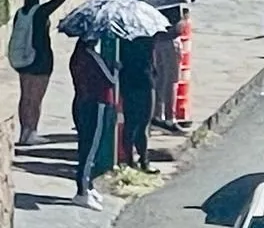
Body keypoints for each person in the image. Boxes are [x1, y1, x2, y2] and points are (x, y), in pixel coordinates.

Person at [7, 0, 83, 145]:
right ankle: (31, 132)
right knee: (36, 98)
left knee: (25, 97)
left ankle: (24, 132)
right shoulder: (40, 12)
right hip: (40, 60)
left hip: (23, 60)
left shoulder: (20, 13)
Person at [68, 37, 116, 210]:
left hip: (81, 101)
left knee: (85, 146)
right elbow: (111, 79)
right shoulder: (92, 57)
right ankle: (82, 192)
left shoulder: (77, 56)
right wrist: (115, 67)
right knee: (90, 150)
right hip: (95, 104)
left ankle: (88, 186)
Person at [119, 33, 157, 172]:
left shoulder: (121, 35)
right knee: (141, 123)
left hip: (128, 80)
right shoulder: (148, 34)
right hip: (143, 80)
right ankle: (142, 160)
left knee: (132, 122)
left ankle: (133, 160)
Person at [150, 12, 182, 131]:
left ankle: (158, 114)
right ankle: (170, 117)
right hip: (169, 40)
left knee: (159, 79)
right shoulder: (171, 0)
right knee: (171, 80)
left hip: (156, 41)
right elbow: (178, 28)